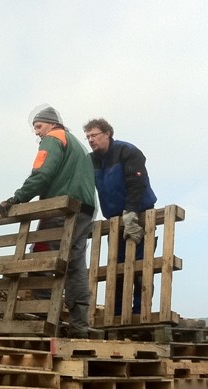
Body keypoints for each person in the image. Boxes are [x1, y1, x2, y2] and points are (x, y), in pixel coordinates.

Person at [0, 106, 96, 338]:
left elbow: (42, 174)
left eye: (39, 126)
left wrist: (17, 198)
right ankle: (79, 328)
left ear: (51, 124)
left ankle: (43, 321)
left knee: (41, 257)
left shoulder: (53, 139)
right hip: (85, 211)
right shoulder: (77, 144)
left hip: (60, 209)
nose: (37, 133)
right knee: (75, 266)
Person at [83, 118, 157, 315]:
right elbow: (86, 188)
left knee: (141, 268)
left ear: (107, 134)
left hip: (140, 215)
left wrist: (131, 213)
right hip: (114, 221)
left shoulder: (127, 152)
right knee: (117, 268)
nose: (91, 140)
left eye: (94, 135)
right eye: (88, 136)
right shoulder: (92, 161)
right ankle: (116, 314)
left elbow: (136, 183)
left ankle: (139, 313)